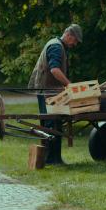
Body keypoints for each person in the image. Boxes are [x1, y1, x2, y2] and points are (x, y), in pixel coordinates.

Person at [27, 24, 83, 164]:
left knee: (52, 123)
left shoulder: (58, 45)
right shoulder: (56, 47)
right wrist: (69, 85)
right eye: (75, 40)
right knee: (51, 124)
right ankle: (51, 159)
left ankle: (52, 158)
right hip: (48, 92)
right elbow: (55, 70)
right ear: (69, 35)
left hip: (49, 91)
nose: (75, 44)